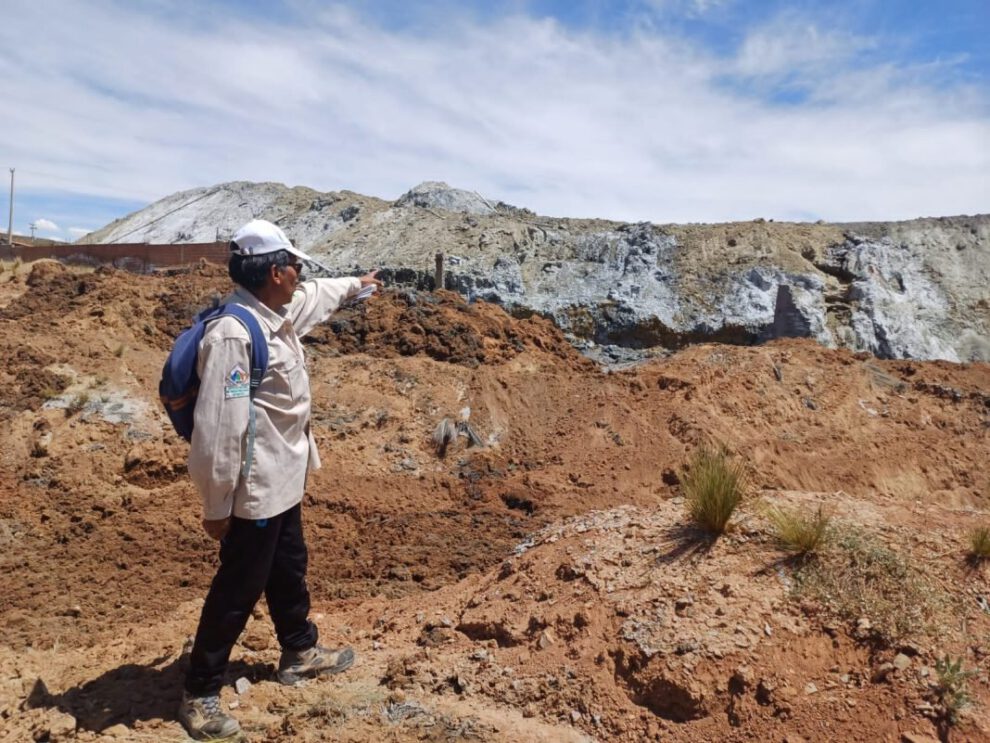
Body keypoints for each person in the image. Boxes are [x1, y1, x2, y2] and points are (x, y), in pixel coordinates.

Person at [177, 219, 382, 741]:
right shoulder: (234, 335)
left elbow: (317, 295)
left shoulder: (276, 313)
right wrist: (217, 505)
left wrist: (356, 285)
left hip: (284, 479)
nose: (300, 273)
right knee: (238, 586)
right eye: (295, 264)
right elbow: (219, 433)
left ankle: (299, 649)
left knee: (289, 566)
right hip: (253, 491)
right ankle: (200, 692)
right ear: (274, 271)